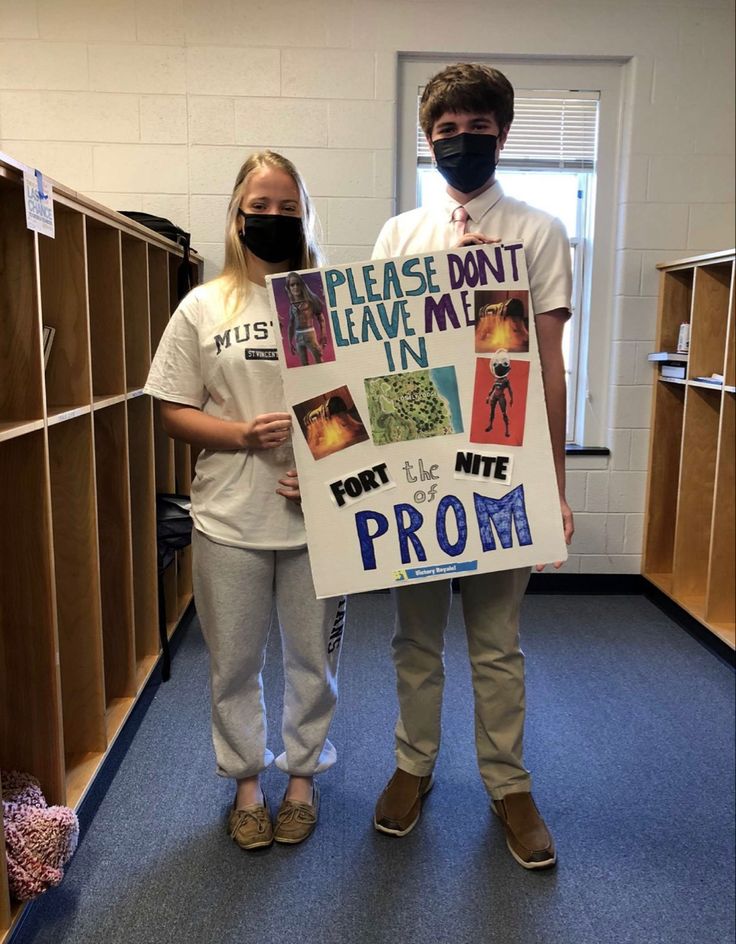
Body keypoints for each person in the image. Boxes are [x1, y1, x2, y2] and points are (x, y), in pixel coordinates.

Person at [371, 63, 574, 869]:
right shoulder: (399, 236)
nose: (461, 140)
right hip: (421, 465)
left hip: (503, 459)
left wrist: (555, 487)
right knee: (414, 639)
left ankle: (508, 783)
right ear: (429, 140)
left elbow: (550, 368)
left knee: (497, 642)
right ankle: (412, 766)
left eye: (476, 126)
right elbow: (380, 366)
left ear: (503, 131)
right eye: (445, 130)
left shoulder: (539, 232)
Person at [144, 150, 346, 851]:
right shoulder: (205, 304)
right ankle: (247, 786)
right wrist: (236, 433)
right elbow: (170, 408)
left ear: (305, 214)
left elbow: (365, 408)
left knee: (312, 660)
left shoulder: (328, 299)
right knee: (233, 662)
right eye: (260, 208)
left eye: (287, 209)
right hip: (228, 517)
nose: (273, 219)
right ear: (237, 214)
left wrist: (325, 468)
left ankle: (302, 780)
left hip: (318, 520)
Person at [284, 271, 327, 365]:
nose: (295, 287)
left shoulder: (311, 301)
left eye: (297, 284)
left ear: (302, 285)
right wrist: (290, 342)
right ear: (289, 288)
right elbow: (291, 325)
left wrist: (323, 334)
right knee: (304, 364)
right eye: (292, 285)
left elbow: (321, 319)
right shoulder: (292, 306)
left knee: (319, 361)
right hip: (298, 337)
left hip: (310, 334)